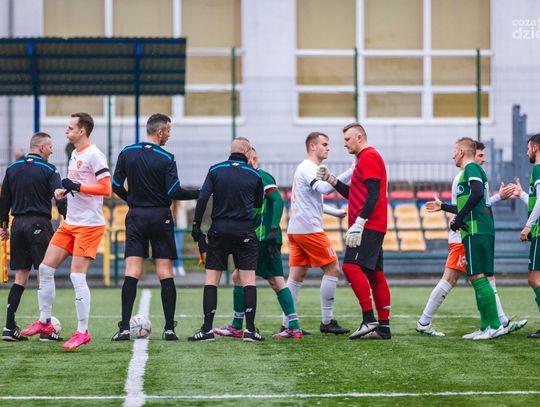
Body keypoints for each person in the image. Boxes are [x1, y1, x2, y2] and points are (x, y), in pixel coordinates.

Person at [21, 112, 111, 350]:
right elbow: (76, 186)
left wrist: (78, 186)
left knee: (77, 277)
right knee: (45, 268)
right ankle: (45, 322)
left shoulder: (94, 154)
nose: (66, 131)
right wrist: (66, 191)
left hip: (89, 226)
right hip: (70, 222)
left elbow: (106, 189)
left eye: (70, 128)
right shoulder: (74, 154)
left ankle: (83, 332)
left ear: (82, 131)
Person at [418, 141, 527, 337]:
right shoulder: (466, 174)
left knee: (480, 277)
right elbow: (469, 203)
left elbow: (477, 201)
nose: (483, 160)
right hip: (464, 234)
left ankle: (496, 323)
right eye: (480, 156)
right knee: (468, 278)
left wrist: (452, 212)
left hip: (471, 230)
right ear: (470, 154)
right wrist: (451, 212)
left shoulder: (472, 172)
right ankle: (495, 323)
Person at [111, 113, 199, 341]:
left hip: (136, 216)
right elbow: (174, 192)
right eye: (168, 131)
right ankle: (169, 329)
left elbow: (116, 185)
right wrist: (200, 193)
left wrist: (131, 200)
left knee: (132, 271)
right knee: (165, 272)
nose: (169, 135)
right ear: (159, 132)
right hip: (160, 217)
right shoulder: (167, 158)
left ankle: (124, 329)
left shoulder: (127, 152)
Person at [213, 147, 303, 339]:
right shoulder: (248, 178)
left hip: (263, 238)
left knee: (248, 277)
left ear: (253, 158)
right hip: (261, 237)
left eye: (245, 158)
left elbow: (278, 201)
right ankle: (293, 325)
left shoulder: (261, 176)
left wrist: (273, 229)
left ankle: (238, 325)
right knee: (270, 280)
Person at [317, 123, 392, 340]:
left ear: (359, 137)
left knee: (350, 267)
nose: (344, 144)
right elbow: (356, 194)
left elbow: (373, 195)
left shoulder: (369, 157)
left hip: (368, 224)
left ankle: (369, 320)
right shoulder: (364, 158)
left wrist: (359, 223)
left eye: (348, 139)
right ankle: (383, 328)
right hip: (373, 223)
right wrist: (332, 180)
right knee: (375, 274)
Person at [189, 137, 264, 342]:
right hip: (244, 231)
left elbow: (203, 198)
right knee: (248, 281)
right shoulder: (254, 174)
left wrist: (196, 226)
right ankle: (250, 330)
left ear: (231, 151)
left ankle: (207, 330)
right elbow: (258, 203)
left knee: (212, 281)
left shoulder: (215, 170)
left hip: (219, 230)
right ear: (247, 152)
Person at [0, 133, 66, 341]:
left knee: (21, 277)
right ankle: (46, 328)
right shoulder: (50, 169)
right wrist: (67, 217)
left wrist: (3, 226)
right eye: (50, 146)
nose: (52, 150)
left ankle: (9, 327)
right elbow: (59, 196)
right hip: (39, 224)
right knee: (45, 273)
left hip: (17, 225)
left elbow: (4, 200)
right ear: (41, 147)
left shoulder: (12, 169)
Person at [437, 137, 504, 340]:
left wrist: (459, 218)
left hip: (477, 229)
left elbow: (476, 194)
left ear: (462, 152)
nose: (453, 156)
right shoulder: (470, 172)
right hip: (475, 229)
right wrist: (447, 208)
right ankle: (485, 326)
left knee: (477, 277)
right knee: (479, 277)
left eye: (455, 151)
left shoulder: (471, 168)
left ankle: (495, 326)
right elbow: (471, 199)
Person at [286, 132, 350, 335]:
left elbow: (311, 200)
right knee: (333, 269)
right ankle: (327, 321)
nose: (328, 147)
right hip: (309, 229)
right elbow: (324, 188)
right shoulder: (308, 167)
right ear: (312, 146)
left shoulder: (305, 168)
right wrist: (350, 172)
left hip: (297, 229)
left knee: (296, 276)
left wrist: (335, 212)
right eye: (324, 144)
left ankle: (288, 324)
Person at [513, 133, 540, 338]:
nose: (527, 151)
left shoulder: (538, 169)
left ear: (535, 148)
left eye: (529, 147)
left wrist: (528, 226)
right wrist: (522, 194)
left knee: (534, 279)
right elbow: (535, 201)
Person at [172, 200, 187, 277]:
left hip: (180, 225)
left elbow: (191, 205)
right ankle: (178, 265)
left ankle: (176, 266)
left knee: (179, 247)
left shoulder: (182, 200)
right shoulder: (168, 198)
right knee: (175, 247)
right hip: (170, 225)